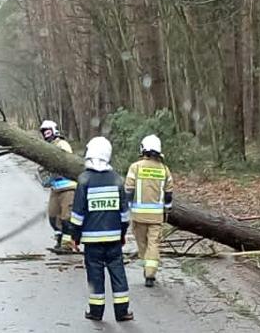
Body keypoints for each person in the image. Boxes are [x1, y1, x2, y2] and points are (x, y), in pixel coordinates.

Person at [64, 137, 133, 322]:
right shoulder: (117, 180)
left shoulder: (84, 180)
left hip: (92, 242)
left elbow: (78, 213)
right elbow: (125, 214)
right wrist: (122, 233)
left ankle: (96, 312)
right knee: (118, 273)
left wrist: (74, 237)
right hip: (114, 240)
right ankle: (122, 311)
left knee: (95, 276)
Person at [124, 134, 173, 288]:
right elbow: (169, 192)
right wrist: (167, 209)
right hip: (157, 216)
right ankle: (150, 272)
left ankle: (147, 267)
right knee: (154, 243)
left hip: (138, 215)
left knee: (142, 243)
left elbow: (128, 189)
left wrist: (127, 207)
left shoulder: (135, 167)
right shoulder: (164, 169)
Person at [38, 120, 78, 253]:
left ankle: (68, 244)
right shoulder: (46, 146)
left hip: (68, 187)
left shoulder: (62, 144)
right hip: (55, 188)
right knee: (53, 217)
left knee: (67, 218)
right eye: (44, 132)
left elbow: (63, 162)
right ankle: (59, 239)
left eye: (47, 131)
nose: (46, 134)